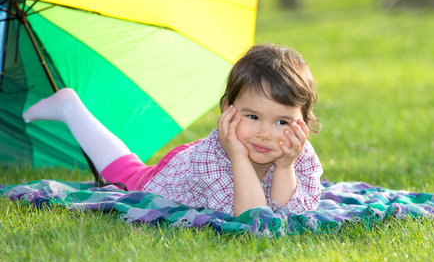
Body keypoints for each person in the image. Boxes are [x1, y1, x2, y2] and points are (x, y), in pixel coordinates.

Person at [23, 43, 323, 217]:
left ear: (304, 122)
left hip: (198, 156)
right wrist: (239, 159)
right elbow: (252, 219)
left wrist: (285, 166)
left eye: (281, 121)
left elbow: (291, 218)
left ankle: (69, 107)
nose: (266, 134)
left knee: (131, 167)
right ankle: (70, 109)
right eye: (253, 116)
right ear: (227, 109)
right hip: (183, 168)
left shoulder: (300, 153)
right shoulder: (214, 159)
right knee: (130, 177)